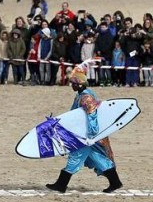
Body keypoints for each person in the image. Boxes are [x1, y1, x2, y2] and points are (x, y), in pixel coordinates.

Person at [45, 60, 123, 193]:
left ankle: (61, 185)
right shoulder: (80, 95)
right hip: (86, 135)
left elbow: (92, 115)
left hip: (87, 135)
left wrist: (92, 134)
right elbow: (74, 115)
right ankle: (115, 182)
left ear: (79, 84)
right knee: (97, 157)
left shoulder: (86, 97)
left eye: (73, 84)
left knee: (75, 157)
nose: (72, 86)